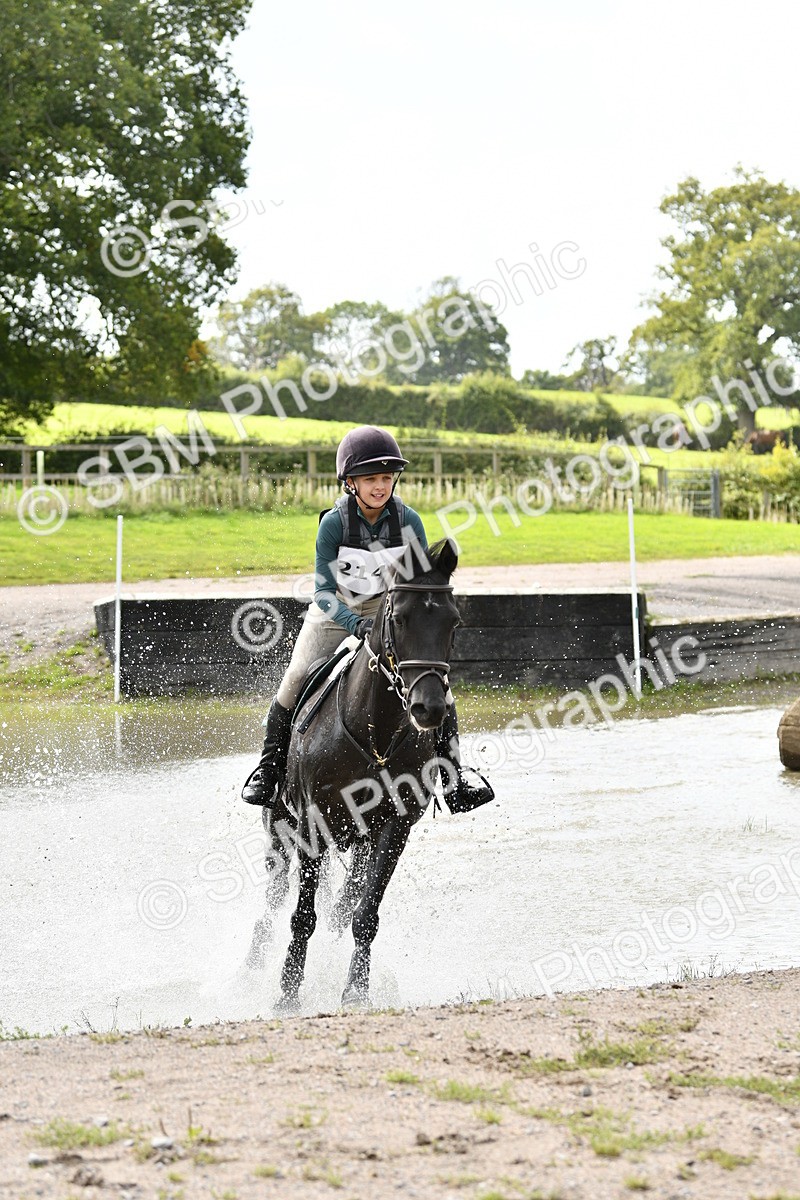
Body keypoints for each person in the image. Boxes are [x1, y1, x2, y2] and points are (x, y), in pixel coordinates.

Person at [240, 425, 494, 814]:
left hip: (385, 608)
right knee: (295, 676)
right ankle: (269, 769)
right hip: (335, 610)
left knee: (440, 686)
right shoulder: (334, 525)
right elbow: (323, 592)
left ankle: (453, 777)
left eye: (386, 478)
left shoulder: (408, 522)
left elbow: (418, 585)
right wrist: (353, 623)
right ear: (350, 483)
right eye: (371, 478)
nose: (380, 486)